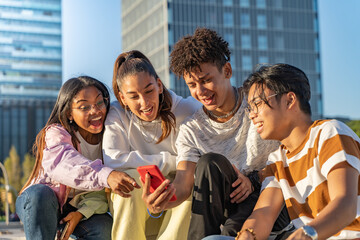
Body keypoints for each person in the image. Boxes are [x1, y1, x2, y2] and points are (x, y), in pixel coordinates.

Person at [143, 27, 293, 240]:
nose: (200, 92)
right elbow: (184, 183)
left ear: (227, 71)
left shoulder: (260, 104)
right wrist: (161, 201)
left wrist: (253, 180)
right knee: (209, 163)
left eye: (206, 80)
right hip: (228, 210)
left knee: (218, 174)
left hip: (271, 201)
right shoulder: (192, 130)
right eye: (192, 85)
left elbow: (291, 153)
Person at [233, 63, 360, 240]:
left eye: (257, 104)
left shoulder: (329, 133)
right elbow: (263, 215)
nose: (252, 114)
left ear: (290, 100)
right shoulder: (277, 160)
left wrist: (308, 233)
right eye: (250, 108)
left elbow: (345, 204)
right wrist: (248, 235)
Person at [16, 76, 140, 240]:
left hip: (82, 206)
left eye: (99, 103)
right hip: (42, 203)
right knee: (40, 195)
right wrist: (107, 175)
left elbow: (101, 193)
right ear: (69, 113)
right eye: (84, 107)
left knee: (104, 228)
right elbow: (66, 165)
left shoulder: (111, 138)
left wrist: (81, 214)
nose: (95, 111)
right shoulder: (57, 133)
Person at [102, 50, 201, 240]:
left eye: (149, 91)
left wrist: (181, 171)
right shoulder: (117, 113)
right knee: (127, 181)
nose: (144, 102)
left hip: (180, 200)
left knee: (191, 180)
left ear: (159, 86)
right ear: (123, 98)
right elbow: (113, 160)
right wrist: (174, 161)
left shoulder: (186, 109)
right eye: (134, 96)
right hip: (139, 204)